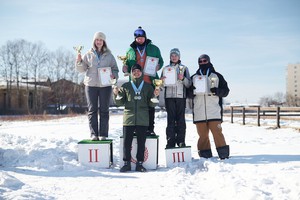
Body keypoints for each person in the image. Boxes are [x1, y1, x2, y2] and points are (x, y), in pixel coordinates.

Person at [113, 64, 159, 172]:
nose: (136, 73)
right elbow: (119, 103)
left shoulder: (148, 86)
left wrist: (155, 96)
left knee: (141, 143)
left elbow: (152, 104)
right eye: (134, 71)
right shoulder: (126, 86)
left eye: (138, 71)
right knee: (127, 143)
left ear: (141, 72)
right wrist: (115, 94)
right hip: (128, 118)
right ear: (131, 73)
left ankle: (139, 164)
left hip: (142, 119)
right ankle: (126, 163)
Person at [75, 32, 119, 141]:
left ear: (104, 42)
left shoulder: (109, 55)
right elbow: (81, 69)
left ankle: (103, 134)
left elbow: (115, 69)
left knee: (104, 110)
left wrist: (114, 75)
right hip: (91, 85)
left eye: (101, 40)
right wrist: (79, 61)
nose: (99, 42)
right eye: (97, 40)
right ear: (94, 41)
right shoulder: (88, 54)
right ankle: (94, 134)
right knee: (92, 110)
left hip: (105, 86)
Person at [122, 26, 164, 136]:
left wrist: (158, 66)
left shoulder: (154, 48)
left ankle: (150, 129)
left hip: (150, 81)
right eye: (138, 38)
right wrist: (125, 67)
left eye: (142, 37)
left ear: (145, 38)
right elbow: (126, 63)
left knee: (151, 106)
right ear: (135, 39)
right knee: (137, 106)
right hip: (136, 83)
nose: (140, 39)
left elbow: (161, 61)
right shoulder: (130, 50)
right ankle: (136, 129)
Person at [188, 54, 230, 159]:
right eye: (200, 61)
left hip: (214, 111)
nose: (202, 63)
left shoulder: (217, 76)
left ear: (209, 61)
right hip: (199, 111)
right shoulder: (194, 78)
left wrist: (218, 91)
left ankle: (223, 155)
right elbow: (187, 94)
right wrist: (191, 91)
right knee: (202, 136)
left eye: (204, 60)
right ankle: (205, 155)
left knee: (217, 133)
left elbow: (226, 91)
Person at [160, 48, 192, 148]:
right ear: (170, 57)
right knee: (170, 120)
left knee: (180, 120)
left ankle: (181, 141)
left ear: (179, 57)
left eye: (176, 55)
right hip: (169, 97)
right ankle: (170, 141)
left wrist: (183, 79)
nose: (174, 57)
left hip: (180, 97)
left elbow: (189, 84)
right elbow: (161, 86)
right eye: (172, 56)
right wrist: (161, 81)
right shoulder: (165, 69)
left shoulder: (184, 68)